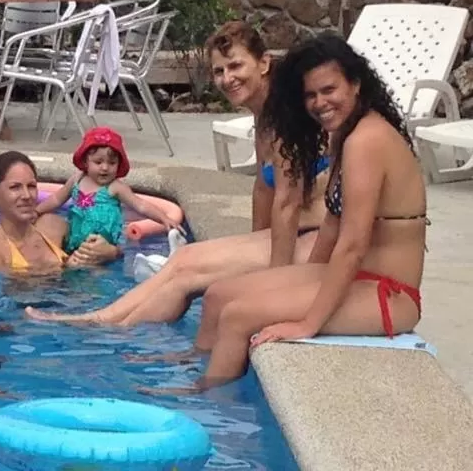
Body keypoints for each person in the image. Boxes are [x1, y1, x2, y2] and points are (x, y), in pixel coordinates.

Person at [160, 33, 426, 390]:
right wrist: (300, 280)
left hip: (389, 295)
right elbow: (331, 226)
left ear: (357, 84)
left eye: (329, 90)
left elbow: (352, 244)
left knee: (239, 316)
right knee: (220, 294)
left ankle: (209, 403)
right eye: (310, 95)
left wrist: (307, 323)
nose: (319, 103)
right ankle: (197, 365)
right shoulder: (343, 134)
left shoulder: (367, 140)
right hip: (355, 279)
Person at [25, 20, 328, 326]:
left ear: (264, 63)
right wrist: (252, 244)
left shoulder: (286, 117)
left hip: (316, 241)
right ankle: (105, 321)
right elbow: (264, 189)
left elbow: (288, 202)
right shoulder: (265, 115)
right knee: (183, 260)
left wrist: (272, 285)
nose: (227, 79)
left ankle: (102, 322)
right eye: (219, 71)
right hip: (296, 233)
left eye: (236, 66)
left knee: (189, 272)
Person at [0, 151, 121, 274]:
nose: (27, 195)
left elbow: (99, 250)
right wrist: (66, 269)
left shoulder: (53, 226)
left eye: (32, 186)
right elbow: (8, 294)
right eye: (15, 187)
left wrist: (110, 252)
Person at [36, 126, 179, 254]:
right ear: (86, 161)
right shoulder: (77, 180)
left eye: (112, 163)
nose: (105, 167)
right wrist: (36, 211)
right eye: (98, 162)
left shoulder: (115, 187)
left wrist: (163, 218)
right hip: (74, 242)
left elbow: (140, 205)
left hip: (102, 248)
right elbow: (56, 199)